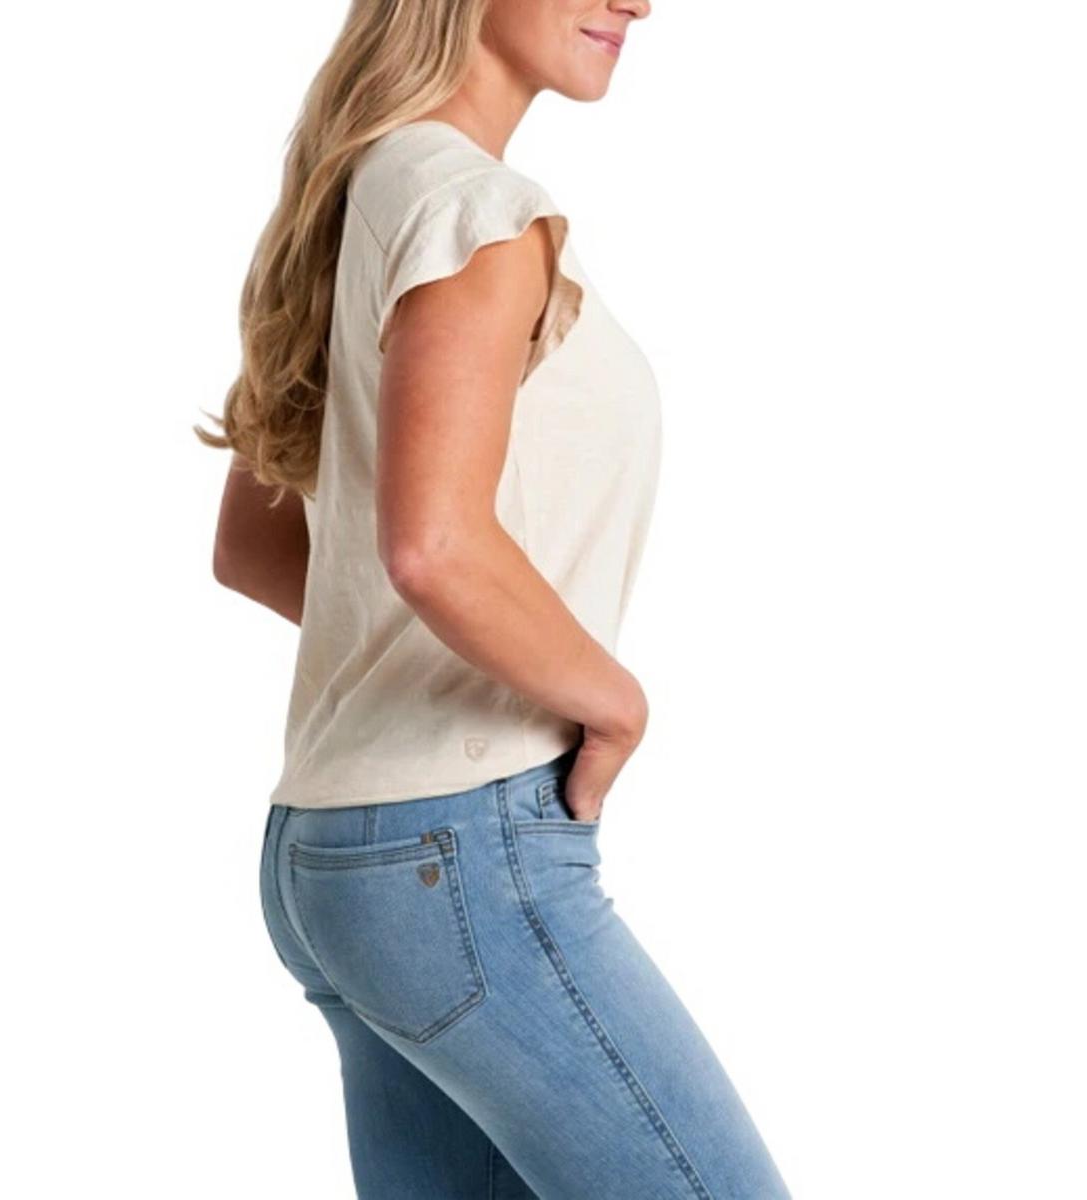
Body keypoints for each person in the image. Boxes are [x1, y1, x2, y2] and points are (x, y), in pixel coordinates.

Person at [197, 2, 793, 1196]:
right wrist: (612, 703)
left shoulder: (355, 197)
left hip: (334, 859)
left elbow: (256, 548)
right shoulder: (477, 215)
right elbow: (432, 548)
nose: (638, 1)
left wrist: (428, 643)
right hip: (456, 850)